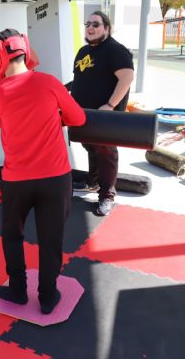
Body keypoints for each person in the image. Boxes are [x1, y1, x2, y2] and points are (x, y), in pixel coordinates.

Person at [0, 28, 86, 315]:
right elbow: (79, 117)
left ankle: (18, 290)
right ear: (26, 50)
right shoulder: (50, 83)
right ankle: (48, 297)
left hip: (17, 181)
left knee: (12, 235)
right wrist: (51, 115)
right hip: (56, 178)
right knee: (51, 240)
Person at [70, 11, 135, 217]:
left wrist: (110, 104)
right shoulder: (83, 51)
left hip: (105, 116)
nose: (90, 27)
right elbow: (81, 80)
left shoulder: (115, 50)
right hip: (83, 114)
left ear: (107, 28)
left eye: (96, 24)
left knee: (106, 153)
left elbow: (127, 78)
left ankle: (107, 195)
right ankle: (93, 183)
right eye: (87, 23)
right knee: (91, 147)